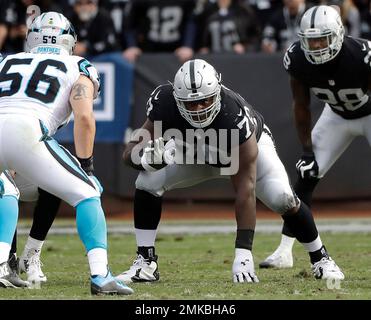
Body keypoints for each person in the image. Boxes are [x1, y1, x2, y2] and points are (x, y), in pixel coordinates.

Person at [115, 58, 344, 284]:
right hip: (194, 152)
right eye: (190, 103)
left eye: (205, 101)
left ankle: (321, 258)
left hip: (237, 150)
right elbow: (130, 152)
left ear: (217, 93)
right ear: (176, 98)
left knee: (282, 197)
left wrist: (243, 254)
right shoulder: (164, 102)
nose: (198, 110)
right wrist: (144, 159)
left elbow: (245, 188)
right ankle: (145, 263)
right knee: (147, 180)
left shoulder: (232, 114)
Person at [0, 11, 133, 295]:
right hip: (27, 130)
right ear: (69, 40)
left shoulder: (6, 60)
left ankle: (2, 264)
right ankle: (100, 274)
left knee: (6, 190)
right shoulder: (78, 65)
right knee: (87, 193)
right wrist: (86, 166)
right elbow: (84, 118)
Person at [259, 5, 370, 269]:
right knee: (307, 175)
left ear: (339, 34)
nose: (317, 46)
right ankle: (284, 251)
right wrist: (307, 151)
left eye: (323, 38)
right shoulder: (297, 58)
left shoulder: (362, 55)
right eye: (311, 40)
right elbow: (301, 105)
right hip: (336, 117)